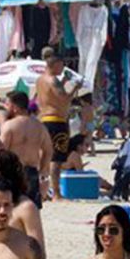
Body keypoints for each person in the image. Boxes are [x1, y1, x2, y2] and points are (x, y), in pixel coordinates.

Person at [0, 91, 52, 208]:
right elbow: (48, 150)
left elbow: (0, 152)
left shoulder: (9, 125)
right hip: (31, 172)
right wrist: (43, 170)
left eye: (7, 104)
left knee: (11, 209)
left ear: (14, 107)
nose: (5, 108)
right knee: (32, 209)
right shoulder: (39, 126)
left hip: (12, 172)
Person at [35, 47, 76, 198]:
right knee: (56, 159)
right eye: (61, 65)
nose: (62, 68)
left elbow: (50, 96)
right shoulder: (53, 80)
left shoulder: (40, 80)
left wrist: (64, 81)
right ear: (54, 64)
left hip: (44, 119)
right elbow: (64, 99)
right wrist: (74, 89)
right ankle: (56, 193)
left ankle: (42, 191)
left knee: (44, 157)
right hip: (56, 120)